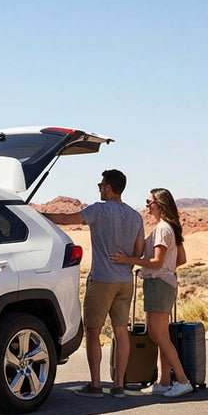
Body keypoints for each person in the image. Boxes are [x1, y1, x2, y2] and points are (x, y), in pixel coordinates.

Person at [43, 169, 144, 398]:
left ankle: (96, 384)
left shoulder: (98, 210)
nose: (99, 187)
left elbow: (67, 220)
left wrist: (39, 215)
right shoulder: (135, 216)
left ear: (109, 187)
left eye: (101, 184)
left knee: (93, 331)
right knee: (121, 331)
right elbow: (138, 251)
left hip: (102, 279)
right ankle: (119, 385)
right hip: (125, 281)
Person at [109, 188, 194, 398]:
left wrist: (129, 261)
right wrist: (160, 268)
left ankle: (182, 380)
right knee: (160, 335)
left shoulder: (163, 229)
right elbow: (180, 259)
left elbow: (157, 262)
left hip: (158, 284)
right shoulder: (167, 228)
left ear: (160, 204)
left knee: (158, 334)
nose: (147, 205)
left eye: (150, 201)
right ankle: (164, 381)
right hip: (161, 283)